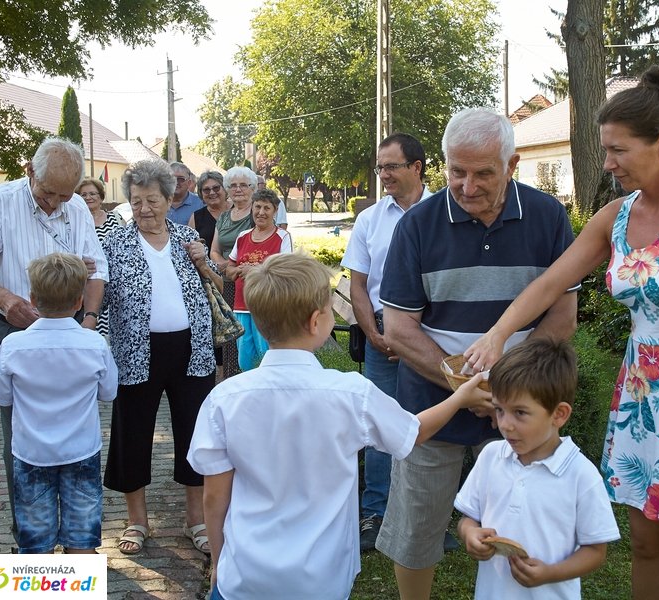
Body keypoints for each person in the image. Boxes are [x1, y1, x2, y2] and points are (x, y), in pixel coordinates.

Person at [465, 65, 659, 600]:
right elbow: (551, 282)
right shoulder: (615, 218)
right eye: (606, 150)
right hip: (642, 395)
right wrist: (497, 334)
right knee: (646, 546)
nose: (607, 163)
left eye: (618, 150)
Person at [187, 252, 491, 600]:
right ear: (316, 321)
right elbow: (413, 431)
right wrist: (459, 397)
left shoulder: (223, 399)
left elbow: (215, 496)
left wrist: (218, 561)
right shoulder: (351, 394)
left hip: (244, 576)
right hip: (322, 579)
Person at [374, 107, 578, 600]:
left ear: (513, 165)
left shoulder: (548, 217)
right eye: (456, 171)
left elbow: (562, 318)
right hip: (431, 405)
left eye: (483, 173)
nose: (467, 186)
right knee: (417, 529)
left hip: (522, 409)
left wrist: (508, 391)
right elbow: (399, 328)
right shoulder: (417, 225)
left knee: (521, 529)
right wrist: (462, 388)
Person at [0, 136, 108, 547]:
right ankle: (30, 540)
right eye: (49, 194)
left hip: (72, 329)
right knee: (20, 438)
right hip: (14, 327)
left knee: (75, 428)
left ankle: (77, 544)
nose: (56, 204)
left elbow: (96, 270)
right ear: (30, 171)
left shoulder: (76, 206)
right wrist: (7, 301)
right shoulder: (0, 202)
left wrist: (90, 319)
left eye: (65, 195)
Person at [101, 158, 219, 556]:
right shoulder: (114, 244)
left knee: (194, 432)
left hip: (192, 349)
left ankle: (196, 520)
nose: (144, 208)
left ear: (170, 200)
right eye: (136, 201)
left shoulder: (188, 237)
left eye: (152, 200)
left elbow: (217, 283)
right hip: (136, 351)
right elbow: (100, 298)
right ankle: (137, 521)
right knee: (132, 433)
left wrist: (203, 261)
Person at [455, 337, 620, 599]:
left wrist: (550, 573)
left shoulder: (581, 476)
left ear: (559, 414)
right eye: (499, 410)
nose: (505, 424)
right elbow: (468, 518)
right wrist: (470, 533)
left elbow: (595, 551)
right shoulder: (491, 457)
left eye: (520, 413)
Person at [0, 253, 118, 554]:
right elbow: (109, 392)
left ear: (33, 298)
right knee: (82, 541)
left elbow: (1, 396)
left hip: (31, 452)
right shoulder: (94, 344)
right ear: (79, 301)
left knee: (36, 544)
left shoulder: (12, 345)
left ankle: (44, 580)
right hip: (81, 450)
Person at [341, 132, 432, 551]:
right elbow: (358, 286)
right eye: (380, 167)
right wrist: (375, 335)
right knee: (378, 422)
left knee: (432, 421)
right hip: (381, 332)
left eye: (391, 166)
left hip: (434, 332)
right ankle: (375, 512)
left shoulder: (445, 213)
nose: (383, 175)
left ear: (416, 167)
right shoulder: (370, 220)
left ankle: (427, 515)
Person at [225, 188, 292, 371]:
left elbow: (285, 271)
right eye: (257, 207)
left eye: (267, 208)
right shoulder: (243, 236)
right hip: (241, 307)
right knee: (245, 361)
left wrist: (254, 271)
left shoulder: (282, 237)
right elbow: (229, 268)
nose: (261, 212)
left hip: (267, 308)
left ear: (275, 211)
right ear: (252, 208)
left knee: (267, 358)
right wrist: (238, 270)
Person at [210, 167, 257, 378]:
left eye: (243, 185)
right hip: (227, 281)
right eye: (233, 185)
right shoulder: (223, 217)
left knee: (250, 335)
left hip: (251, 282)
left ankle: (252, 377)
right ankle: (231, 378)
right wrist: (225, 265)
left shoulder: (258, 212)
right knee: (231, 335)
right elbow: (214, 250)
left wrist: (238, 268)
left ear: (252, 188)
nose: (238, 189)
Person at [189, 170, 231, 377]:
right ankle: (220, 376)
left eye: (216, 188)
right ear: (201, 194)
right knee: (218, 331)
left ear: (225, 189)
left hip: (236, 278)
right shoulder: (196, 217)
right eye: (206, 190)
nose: (212, 193)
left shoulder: (238, 212)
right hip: (209, 283)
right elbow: (190, 249)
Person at [77, 177, 124, 337]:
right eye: (83, 195)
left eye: (92, 193)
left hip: (114, 284)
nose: (88, 197)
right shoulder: (77, 221)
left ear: (101, 196)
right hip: (88, 284)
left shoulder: (116, 218)